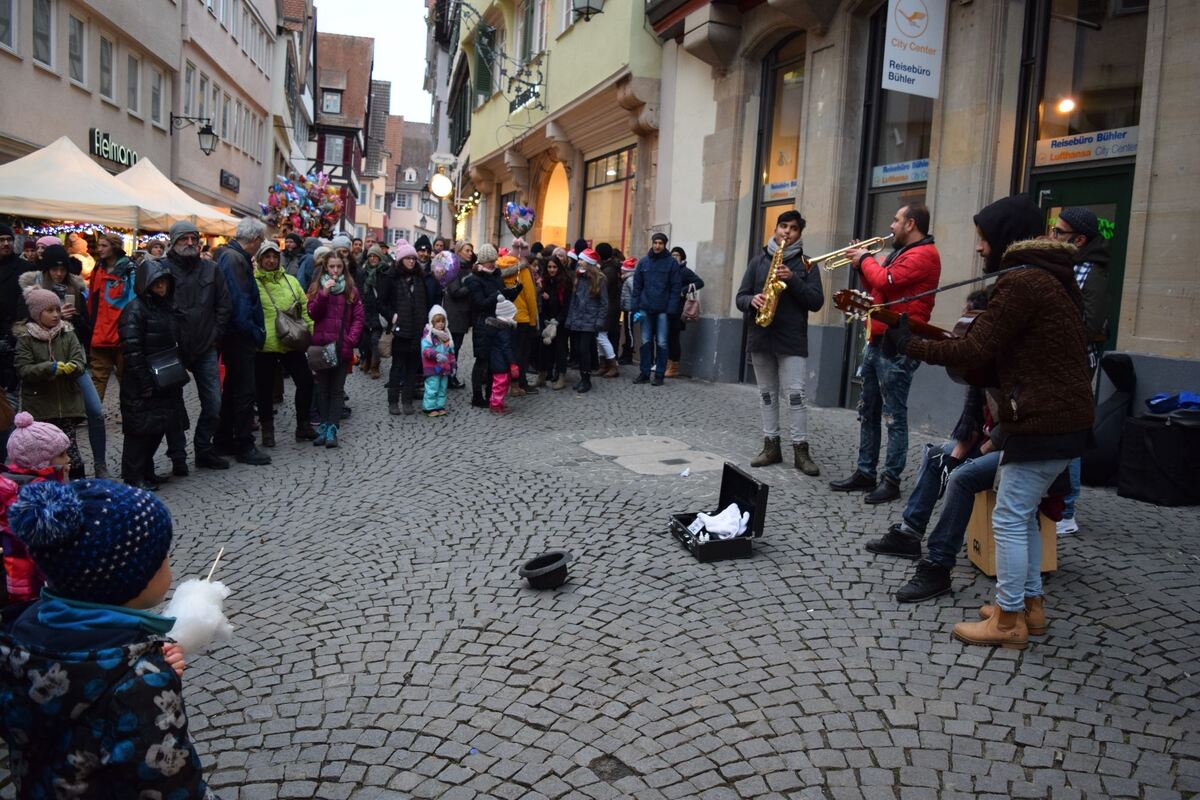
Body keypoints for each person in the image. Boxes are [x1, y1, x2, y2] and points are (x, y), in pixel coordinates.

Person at [884, 194, 1093, 649]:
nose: (979, 249)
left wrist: (909, 344)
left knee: (1011, 517)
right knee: (1028, 513)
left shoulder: (1023, 283)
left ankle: (1008, 618)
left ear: (1003, 238)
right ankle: (1029, 607)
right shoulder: (1047, 278)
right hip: (1059, 419)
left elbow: (973, 350)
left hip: (1043, 420)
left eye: (983, 239)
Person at [0, 479, 215, 795]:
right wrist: (150, 678)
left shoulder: (18, 631)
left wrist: (149, 660)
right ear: (132, 579)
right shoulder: (138, 685)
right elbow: (173, 784)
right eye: (162, 555)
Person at [864, 291, 1001, 602]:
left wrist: (970, 457)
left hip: (1015, 448)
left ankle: (939, 564)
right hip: (987, 441)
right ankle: (909, 533)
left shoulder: (1006, 361)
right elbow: (971, 423)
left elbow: (1011, 427)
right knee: (935, 454)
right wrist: (955, 455)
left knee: (961, 477)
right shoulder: (979, 367)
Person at [830, 203, 941, 503]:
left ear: (911, 224)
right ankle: (866, 472)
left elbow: (884, 280)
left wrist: (865, 258)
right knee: (868, 410)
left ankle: (891, 480)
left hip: (900, 344)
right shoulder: (900, 253)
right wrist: (860, 266)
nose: (891, 226)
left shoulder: (924, 255)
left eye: (896, 220)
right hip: (879, 338)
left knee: (894, 416)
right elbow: (879, 291)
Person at [735, 210, 824, 476]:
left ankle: (801, 451)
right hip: (761, 335)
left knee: (796, 396)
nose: (787, 232)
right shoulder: (758, 262)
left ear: (799, 233)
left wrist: (793, 280)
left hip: (791, 338)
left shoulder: (807, 265)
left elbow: (816, 301)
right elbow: (740, 297)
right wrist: (751, 301)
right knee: (766, 395)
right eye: (783, 226)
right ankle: (771, 446)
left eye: (793, 228)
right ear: (775, 229)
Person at [1048, 206, 1110, 536]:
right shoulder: (1070, 266)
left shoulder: (1093, 272)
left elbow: (1089, 325)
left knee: (1068, 436)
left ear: (1080, 239)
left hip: (1075, 363)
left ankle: (1067, 510)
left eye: (1059, 233)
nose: (1053, 236)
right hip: (1059, 360)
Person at [20, 244, 107, 478]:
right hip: (44, 362)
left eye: (62, 269)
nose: (59, 274)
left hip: (72, 356)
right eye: (54, 269)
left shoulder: (75, 287)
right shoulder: (32, 287)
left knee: (95, 411)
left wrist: (73, 319)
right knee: (52, 421)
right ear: (46, 269)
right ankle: (53, 470)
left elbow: (88, 329)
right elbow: (23, 325)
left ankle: (100, 464)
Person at [163, 220, 233, 474]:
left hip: (205, 345)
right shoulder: (161, 268)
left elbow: (224, 305)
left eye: (194, 238)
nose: (190, 243)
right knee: (173, 406)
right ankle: (178, 455)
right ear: (173, 242)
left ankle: (204, 448)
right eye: (184, 239)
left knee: (214, 402)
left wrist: (215, 335)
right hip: (174, 347)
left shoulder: (211, 269)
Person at [117, 259, 189, 489]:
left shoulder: (166, 308)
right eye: (157, 283)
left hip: (164, 379)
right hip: (143, 381)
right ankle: (133, 475)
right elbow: (132, 349)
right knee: (139, 432)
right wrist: (144, 381)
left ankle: (146, 472)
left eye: (164, 283)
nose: (162, 288)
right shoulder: (135, 310)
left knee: (156, 428)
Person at [214, 218, 270, 466]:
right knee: (245, 390)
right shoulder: (235, 259)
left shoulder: (231, 256)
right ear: (255, 239)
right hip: (239, 335)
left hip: (236, 333)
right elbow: (240, 301)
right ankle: (243, 443)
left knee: (234, 390)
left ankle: (225, 438)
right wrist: (254, 331)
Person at [0, 413, 71, 605]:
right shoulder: (39, 494)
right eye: (62, 455)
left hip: (22, 580)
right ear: (41, 462)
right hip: (32, 584)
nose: (68, 459)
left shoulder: (15, 484)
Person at [14, 288, 86, 477]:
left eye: (57, 309)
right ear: (37, 314)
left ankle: (80, 490)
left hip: (66, 404)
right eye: (49, 310)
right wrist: (48, 368)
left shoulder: (68, 333)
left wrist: (73, 367)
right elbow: (23, 369)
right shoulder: (25, 338)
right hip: (40, 407)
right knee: (44, 457)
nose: (56, 314)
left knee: (71, 453)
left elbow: (80, 361)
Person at [254, 240, 316, 446]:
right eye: (267, 257)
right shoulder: (253, 282)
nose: (271, 260)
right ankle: (267, 430)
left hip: (291, 340)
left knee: (306, 381)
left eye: (274, 256)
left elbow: (304, 308)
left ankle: (303, 425)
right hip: (266, 344)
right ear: (260, 259)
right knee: (264, 389)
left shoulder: (290, 280)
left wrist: (310, 331)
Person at [307, 250, 364, 447]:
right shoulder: (317, 287)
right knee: (322, 389)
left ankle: (333, 428)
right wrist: (324, 293)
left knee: (337, 390)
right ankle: (323, 426)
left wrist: (350, 340)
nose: (335, 270)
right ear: (325, 267)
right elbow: (313, 313)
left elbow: (358, 317)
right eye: (332, 266)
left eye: (339, 267)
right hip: (322, 346)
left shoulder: (351, 290)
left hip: (341, 347)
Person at [465, 244, 522, 409]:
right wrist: (496, 296)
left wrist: (515, 290)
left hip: (499, 323)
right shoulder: (474, 280)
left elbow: (503, 296)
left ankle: (491, 395)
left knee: (494, 363)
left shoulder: (497, 275)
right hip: (483, 324)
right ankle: (477, 396)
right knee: (481, 362)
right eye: (490, 261)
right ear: (482, 261)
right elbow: (480, 303)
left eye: (494, 260)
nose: (493, 264)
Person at [378, 239, 428, 416]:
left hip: (417, 329)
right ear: (400, 260)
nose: (412, 261)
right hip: (400, 330)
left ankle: (407, 401)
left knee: (412, 368)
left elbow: (427, 301)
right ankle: (393, 401)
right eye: (408, 258)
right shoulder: (391, 278)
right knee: (397, 367)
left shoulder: (420, 278)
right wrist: (392, 316)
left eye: (413, 259)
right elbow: (381, 303)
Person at [88, 233, 137, 402]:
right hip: (100, 331)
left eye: (104, 246)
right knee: (98, 377)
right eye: (98, 245)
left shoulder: (129, 269)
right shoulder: (98, 268)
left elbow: (133, 301)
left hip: (121, 332)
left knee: (126, 377)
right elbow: (92, 299)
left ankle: (128, 414)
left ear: (114, 247)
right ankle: (94, 416)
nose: (99, 249)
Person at [631, 232, 682, 386]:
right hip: (645, 307)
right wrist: (635, 308)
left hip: (663, 310)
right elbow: (637, 287)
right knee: (645, 342)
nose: (657, 246)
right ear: (652, 243)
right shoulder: (643, 263)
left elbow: (675, 287)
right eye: (655, 243)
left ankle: (659, 374)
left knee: (662, 343)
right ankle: (644, 372)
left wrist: (671, 309)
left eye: (660, 243)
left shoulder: (671, 263)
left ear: (664, 245)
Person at [565, 249, 609, 395]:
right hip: (578, 319)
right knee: (577, 350)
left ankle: (586, 379)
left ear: (589, 263)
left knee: (584, 350)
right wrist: (570, 319)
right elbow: (574, 300)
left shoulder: (600, 279)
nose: (579, 262)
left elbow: (604, 303)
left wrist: (599, 321)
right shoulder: (578, 277)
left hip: (590, 320)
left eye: (582, 260)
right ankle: (582, 377)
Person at [500, 253, 539, 396]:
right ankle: (520, 383)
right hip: (521, 318)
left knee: (505, 352)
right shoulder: (522, 270)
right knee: (521, 354)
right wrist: (533, 320)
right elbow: (529, 296)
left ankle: (503, 383)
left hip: (504, 317)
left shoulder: (498, 267)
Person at [667, 246, 705, 378]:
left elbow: (700, 282)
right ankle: (667, 364)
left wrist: (684, 290)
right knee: (665, 338)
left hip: (678, 310)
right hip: (667, 308)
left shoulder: (685, 271)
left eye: (676, 255)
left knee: (673, 338)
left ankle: (674, 367)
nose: (674, 257)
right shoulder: (669, 269)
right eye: (672, 255)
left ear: (682, 257)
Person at [442, 241, 475, 390]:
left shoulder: (466, 268)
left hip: (462, 315)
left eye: (471, 250)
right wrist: (471, 286)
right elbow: (455, 292)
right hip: (455, 315)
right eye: (467, 250)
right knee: (452, 349)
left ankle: (450, 376)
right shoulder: (454, 268)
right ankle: (449, 377)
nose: (470, 253)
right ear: (459, 251)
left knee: (455, 348)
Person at [539, 255, 571, 390]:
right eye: (549, 267)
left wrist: (557, 321)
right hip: (547, 320)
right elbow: (544, 304)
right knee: (545, 349)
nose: (552, 270)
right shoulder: (544, 281)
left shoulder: (565, 282)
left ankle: (561, 377)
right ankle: (543, 376)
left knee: (560, 349)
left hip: (561, 322)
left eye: (554, 267)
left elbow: (566, 304)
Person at [420, 305, 456, 416]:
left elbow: (451, 352)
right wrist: (436, 355)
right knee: (432, 387)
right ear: (432, 322)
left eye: (442, 321)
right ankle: (429, 407)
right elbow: (425, 350)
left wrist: (453, 365)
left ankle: (439, 405)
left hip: (444, 367)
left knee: (442, 388)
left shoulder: (446, 335)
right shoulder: (429, 335)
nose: (440, 324)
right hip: (432, 367)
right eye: (438, 321)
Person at [486, 297, 519, 413]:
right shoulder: (504, 331)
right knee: (500, 384)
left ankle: (497, 403)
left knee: (502, 384)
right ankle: (495, 405)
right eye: (514, 315)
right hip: (501, 362)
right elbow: (506, 348)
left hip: (498, 360)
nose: (515, 317)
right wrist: (512, 363)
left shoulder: (497, 328)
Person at [596, 243, 622, 379]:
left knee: (601, 336)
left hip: (608, 308)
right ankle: (604, 365)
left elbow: (600, 289)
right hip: (610, 307)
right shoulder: (610, 268)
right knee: (599, 337)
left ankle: (612, 365)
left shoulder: (608, 271)